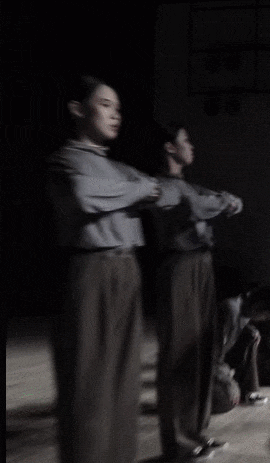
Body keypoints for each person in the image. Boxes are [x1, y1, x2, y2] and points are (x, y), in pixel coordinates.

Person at [46, 74, 160, 463]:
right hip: (90, 270)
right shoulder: (64, 159)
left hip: (128, 269)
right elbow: (85, 196)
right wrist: (136, 191)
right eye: (105, 105)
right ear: (78, 110)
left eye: (119, 108)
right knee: (88, 381)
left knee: (125, 379)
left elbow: (156, 191)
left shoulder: (117, 167)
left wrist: (132, 190)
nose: (115, 115)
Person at [150, 122, 243, 462]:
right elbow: (195, 207)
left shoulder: (187, 185)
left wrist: (220, 200)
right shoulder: (161, 186)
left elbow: (220, 201)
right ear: (169, 148)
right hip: (179, 267)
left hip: (202, 265)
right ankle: (179, 442)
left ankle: (196, 431)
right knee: (179, 353)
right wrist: (221, 201)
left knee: (202, 351)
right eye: (185, 140)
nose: (191, 146)